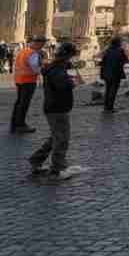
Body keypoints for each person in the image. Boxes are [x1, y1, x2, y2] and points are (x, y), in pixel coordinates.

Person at [29, 42, 82, 177]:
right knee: (62, 138)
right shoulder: (57, 68)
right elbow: (61, 86)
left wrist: (69, 78)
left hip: (54, 106)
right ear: (68, 56)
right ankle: (57, 168)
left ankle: (36, 159)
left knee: (56, 137)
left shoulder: (55, 67)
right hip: (57, 108)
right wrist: (74, 82)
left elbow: (59, 80)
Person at [10, 36, 47, 133]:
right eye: (42, 45)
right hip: (28, 80)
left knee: (18, 103)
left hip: (19, 80)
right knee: (24, 104)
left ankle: (14, 123)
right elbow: (35, 68)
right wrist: (42, 67)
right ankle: (20, 125)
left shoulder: (23, 51)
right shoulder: (33, 53)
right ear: (38, 43)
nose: (42, 48)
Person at [99, 36, 128, 113]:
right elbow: (125, 60)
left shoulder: (107, 50)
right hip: (116, 73)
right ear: (118, 43)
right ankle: (110, 108)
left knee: (107, 90)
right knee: (113, 91)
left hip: (106, 73)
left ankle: (106, 107)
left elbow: (102, 62)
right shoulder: (120, 50)